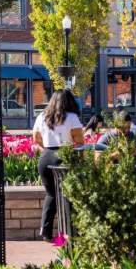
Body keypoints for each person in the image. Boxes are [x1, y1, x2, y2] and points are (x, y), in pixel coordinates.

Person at [32, 90, 84, 242]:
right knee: (68, 194)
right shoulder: (72, 117)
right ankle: (69, 231)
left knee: (51, 194)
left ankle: (45, 230)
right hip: (64, 156)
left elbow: (35, 136)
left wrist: (47, 148)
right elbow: (79, 140)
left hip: (46, 156)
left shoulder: (42, 116)